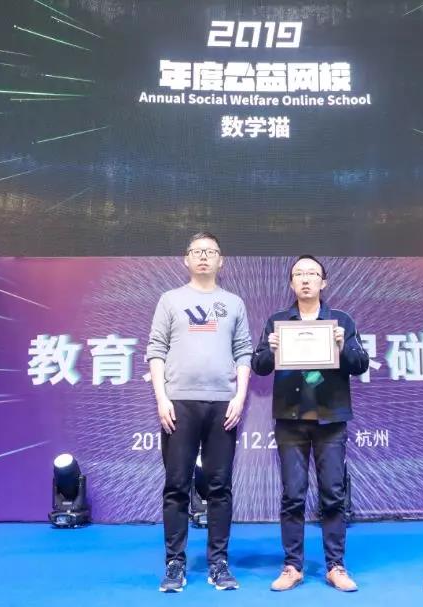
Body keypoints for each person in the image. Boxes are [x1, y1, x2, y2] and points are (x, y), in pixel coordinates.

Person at [251, 255, 369, 592]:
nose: (305, 279)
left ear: (323, 282)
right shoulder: (277, 321)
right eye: (299, 274)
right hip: (290, 420)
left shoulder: (341, 321)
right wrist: (270, 350)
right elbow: (259, 366)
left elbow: (360, 364)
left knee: (332, 493)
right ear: (291, 283)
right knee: (293, 494)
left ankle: (336, 566)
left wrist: (342, 346)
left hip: (330, 419)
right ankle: (292, 566)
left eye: (312, 274)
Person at [146, 232, 252, 592]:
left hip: (223, 404)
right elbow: (156, 350)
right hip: (179, 403)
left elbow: (243, 352)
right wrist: (162, 398)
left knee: (219, 487)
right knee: (177, 485)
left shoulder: (233, 303)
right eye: (197, 251)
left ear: (221, 261)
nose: (204, 256)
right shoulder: (170, 300)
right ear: (186, 259)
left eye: (211, 252)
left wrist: (240, 396)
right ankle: (174, 563)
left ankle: (219, 563)